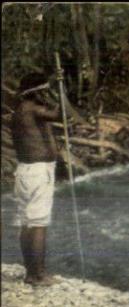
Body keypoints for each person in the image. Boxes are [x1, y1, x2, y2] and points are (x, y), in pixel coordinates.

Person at [11, 72, 62, 286]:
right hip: (38, 172)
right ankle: (38, 275)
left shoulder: (20, 111)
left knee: (27, 222)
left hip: (24, 171)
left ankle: (30, 273)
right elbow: (61, 114)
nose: (46, 93)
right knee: (39, 223)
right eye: (44, 90)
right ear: (38, 91)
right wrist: (60, 89)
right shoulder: (33, 109)